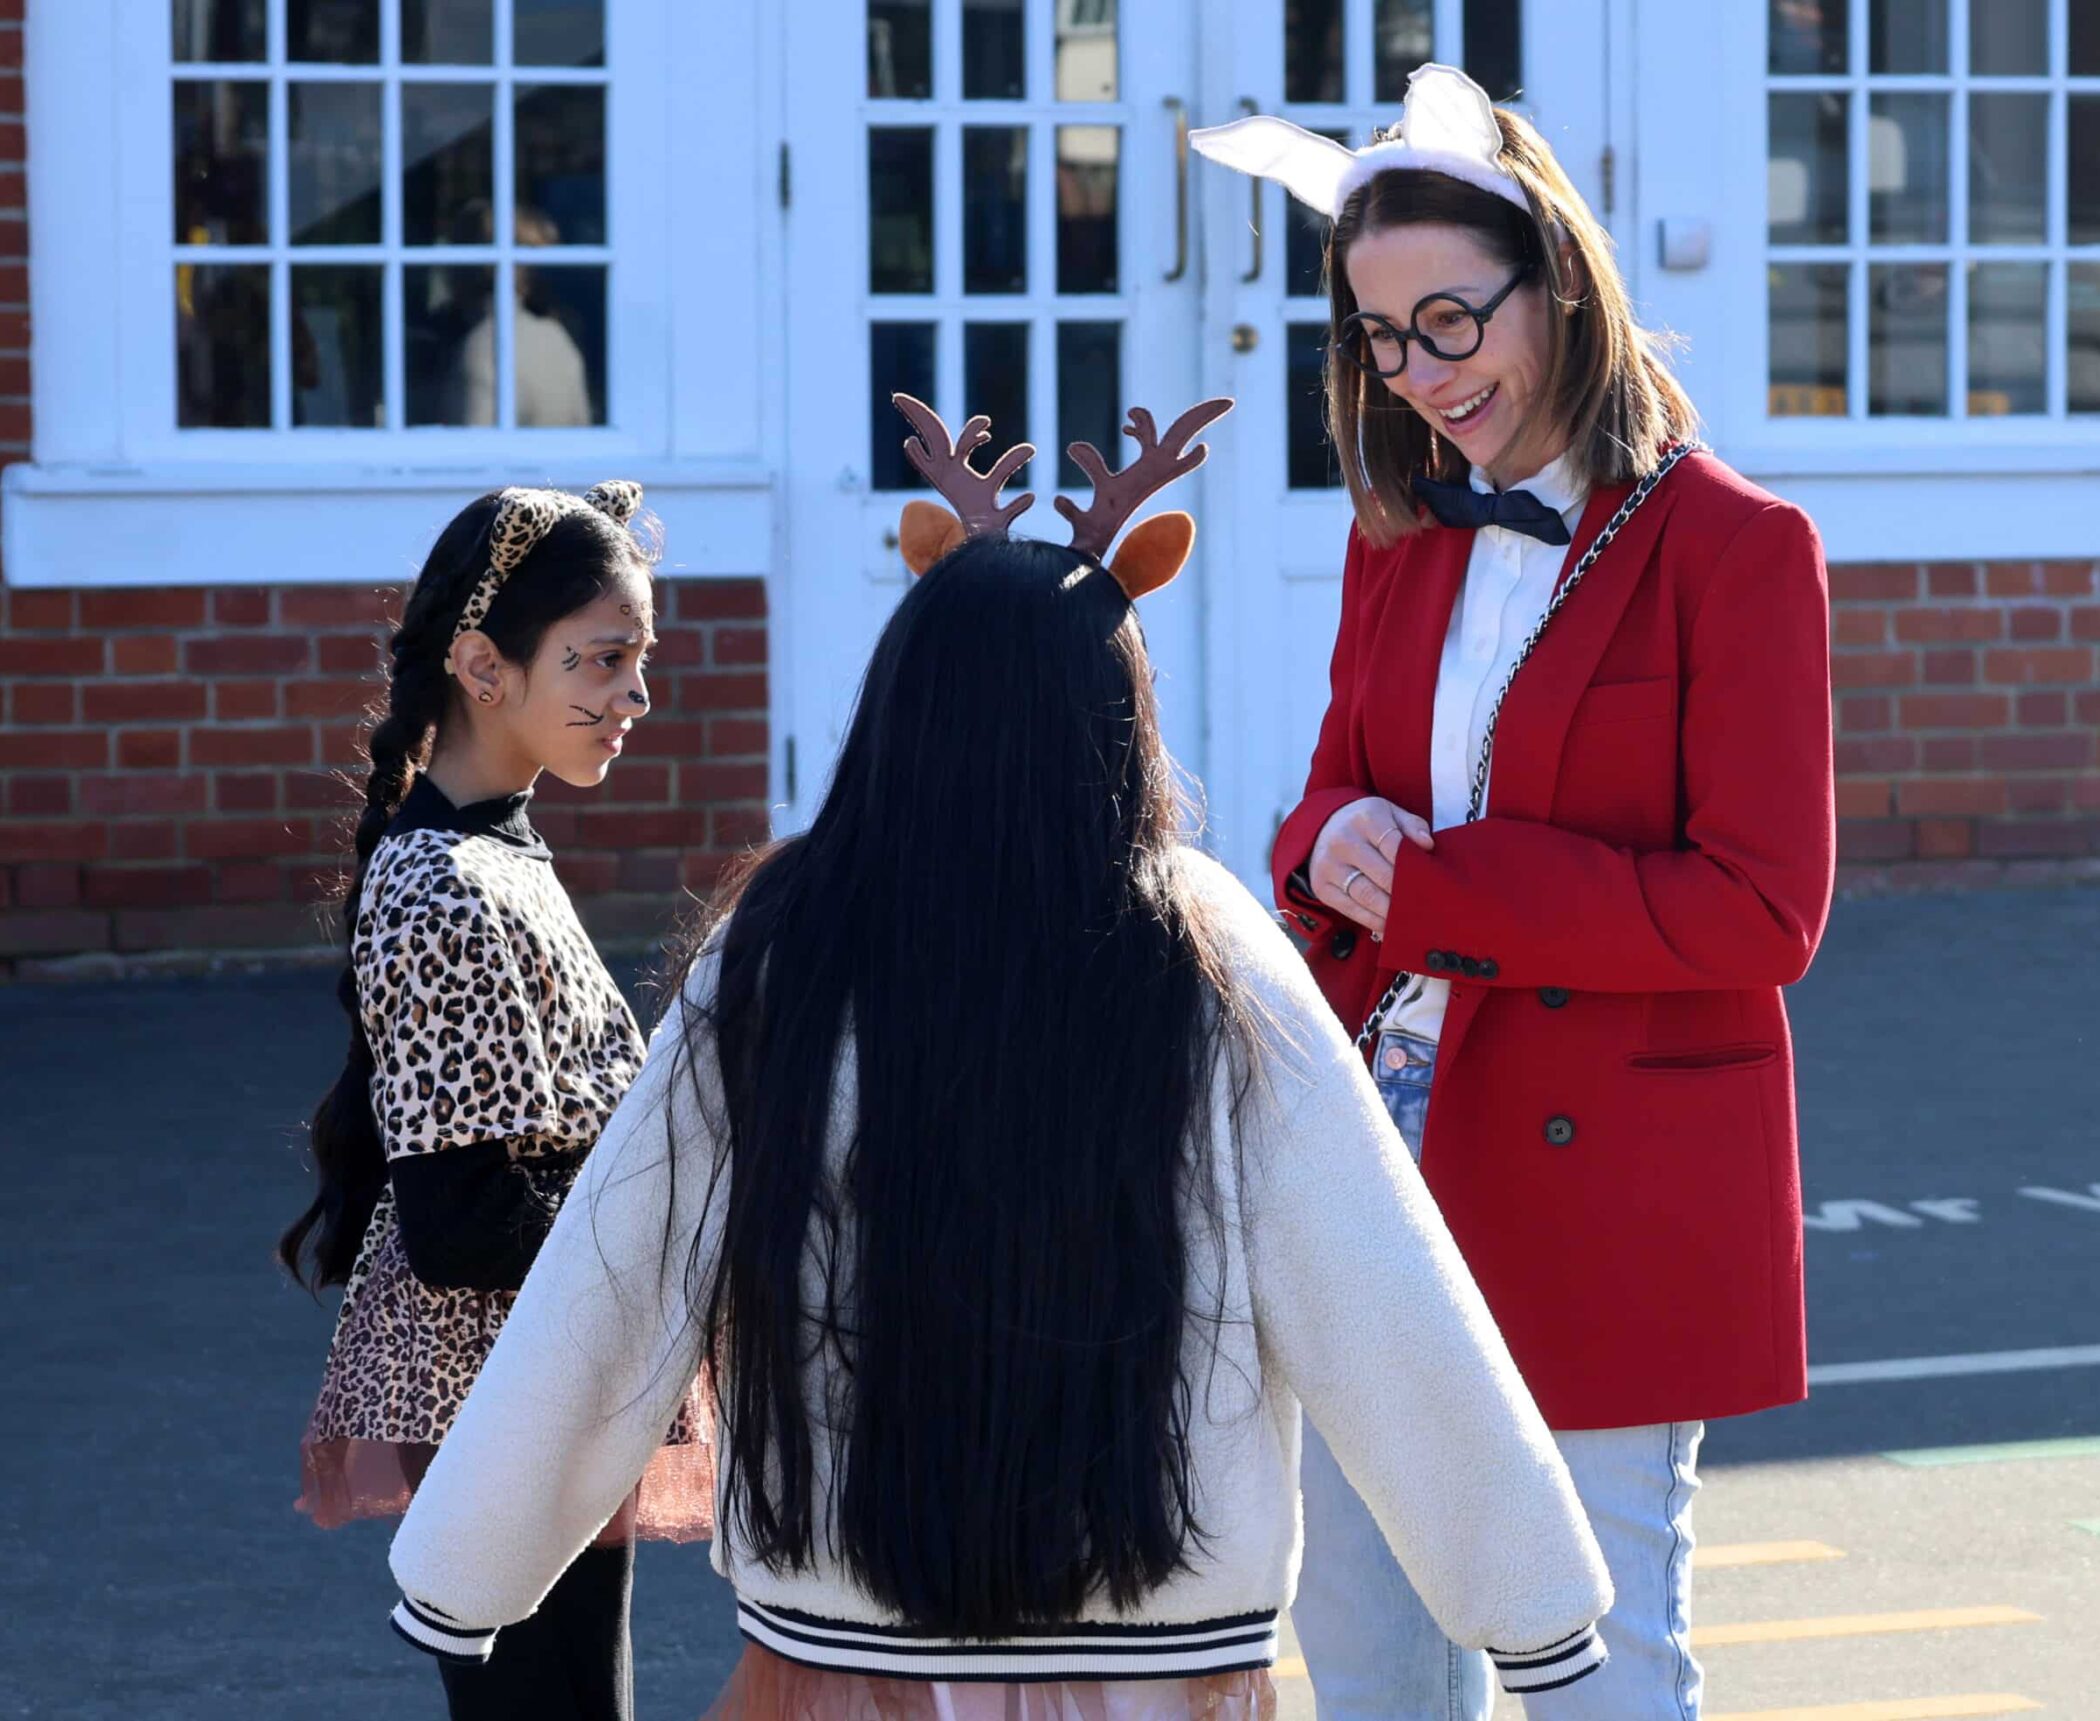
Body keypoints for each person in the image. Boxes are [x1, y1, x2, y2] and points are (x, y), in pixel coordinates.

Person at [381, 395, 1616, 1719]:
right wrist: (1535, 1616)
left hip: (838, 1646)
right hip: (1160, 1647)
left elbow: (617, 1271)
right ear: (1118, 709)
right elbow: (1378, 1287)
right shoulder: (1206, 948)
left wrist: (469, 1564)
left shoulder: (786, 938)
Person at [1192, 63, 1836, 1720]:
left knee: (1604, 1655)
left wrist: (1439, 888)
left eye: (1450, 324)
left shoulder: (1736, 550)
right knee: (1370, 1638)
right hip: (1375, 1136)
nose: (1416, 376)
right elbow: (1336, 795)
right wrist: (1325, 843)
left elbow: (1765, 911)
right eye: (1381, 337)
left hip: (1608, 1161)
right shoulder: (1396, 529)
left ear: (1557, 283)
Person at [278, 482, 714, 1721]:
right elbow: (461, 1218)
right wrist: (683, 1228)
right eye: (600, 660)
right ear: (482, 664)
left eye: (641, 659)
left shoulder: (499, 850)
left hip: (553, 1384)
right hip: (502, 1405)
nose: (634, 696)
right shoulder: (440, 881)